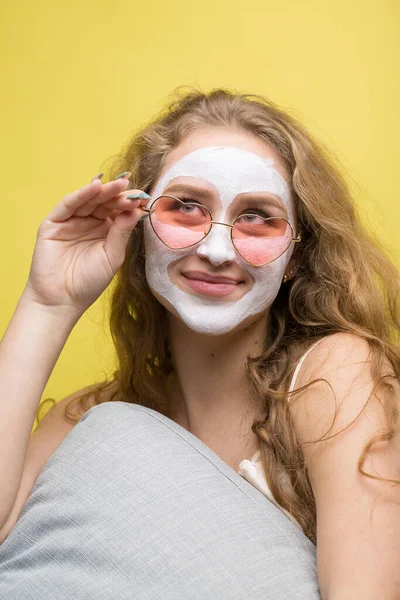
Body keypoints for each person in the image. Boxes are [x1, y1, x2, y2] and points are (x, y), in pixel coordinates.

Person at [1, 86, 399, 597]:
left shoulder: (337, 376)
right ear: (138, 228)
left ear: (296, 257)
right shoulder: (85, 420)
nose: (215, 250)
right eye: (186, 207)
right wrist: (47, 302)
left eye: (258, 216)